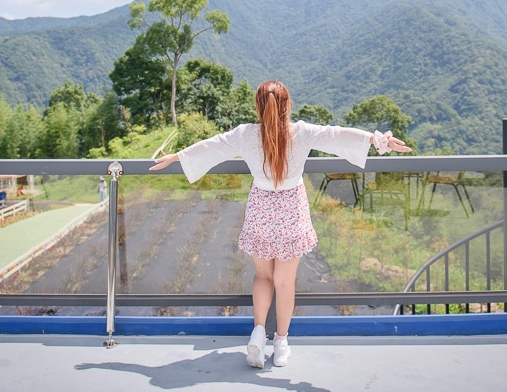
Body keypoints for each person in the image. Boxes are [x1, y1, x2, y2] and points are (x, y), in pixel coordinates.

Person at [150, 80, 411, 369]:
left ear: (258, 107)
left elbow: (214, 146)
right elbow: (336, 135)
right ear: (287, 105)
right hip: (291, 209)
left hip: (261, 207)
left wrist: (178, 156)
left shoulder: (245, 135)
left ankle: (259, 332)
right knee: (284, 282)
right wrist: (379, 140)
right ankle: (282, 342)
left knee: (263, 277)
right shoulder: (302, 132)